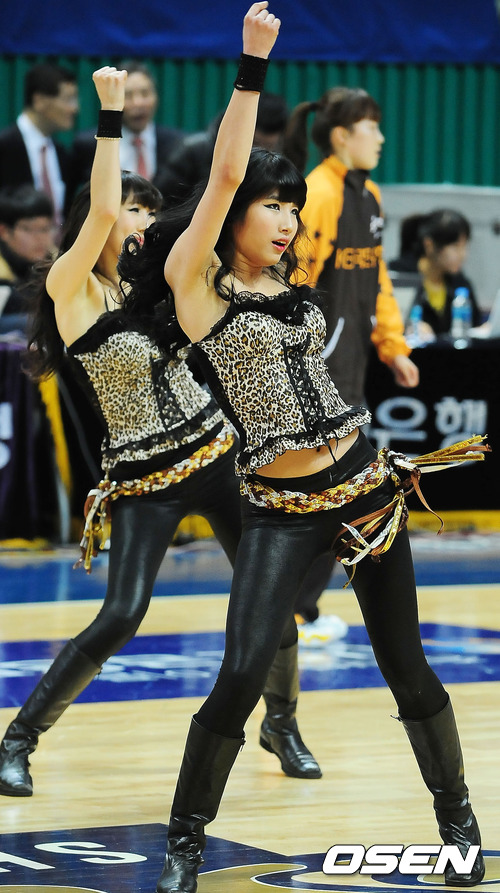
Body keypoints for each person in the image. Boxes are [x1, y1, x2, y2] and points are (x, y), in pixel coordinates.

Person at [119, 6, 486, 891]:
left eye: (290, 206)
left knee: (408, 668)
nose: (285, 220)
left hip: (366, 491)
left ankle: (458, 821)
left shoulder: (292, 284)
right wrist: (252, 64)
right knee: (242, 671)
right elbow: (224, 174)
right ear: (233, 215)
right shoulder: (200, 286)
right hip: (281, 511)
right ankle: (184, 841)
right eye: (269, 206)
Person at [0, 65, 321, 801]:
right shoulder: (74, 288)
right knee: (122, 613)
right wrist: (111, 113)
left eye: (150, 210)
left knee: (271, 597)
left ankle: (282, 723)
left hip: (218, 456)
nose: (143, 220)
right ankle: (18, 739)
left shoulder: (157, 286)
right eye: (134, 210)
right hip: (146, 476)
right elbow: (101, 205)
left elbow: (221, 189)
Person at [282, 86, 420, 636]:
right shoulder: (319, 194)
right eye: (371, 127)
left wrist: (393, 345)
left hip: (352, 366)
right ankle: (295, 610)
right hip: (317, 369)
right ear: (342, 136)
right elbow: (293, 283)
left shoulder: (371, 195)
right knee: (337, 492)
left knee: (341, 492)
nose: (381, 138)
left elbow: (378, 280)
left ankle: (298, 610)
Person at [70, 60, 184, 203]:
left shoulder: (177, 143)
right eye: (127, 95)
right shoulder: (89, 145)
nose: (138, 103)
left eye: (145, 93)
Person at [156, 91, 289, 207]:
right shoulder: (193, 151)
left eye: (269, 147)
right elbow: (160, 203)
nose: (260, 153)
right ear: (240, 125)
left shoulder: (282, 159)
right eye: (254, 144)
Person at [0, 63, 79, 229]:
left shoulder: (62, 153)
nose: (75, 108)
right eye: (68, 99)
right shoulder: (4, 147)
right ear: (39, 101)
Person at [389, 209, 482, 337]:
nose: (463, 255)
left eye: (465, 246)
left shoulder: (461, 283)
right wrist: (410, 327)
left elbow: (475, 328)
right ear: (429, 245)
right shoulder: (398, 277)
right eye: (455, 246)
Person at [0, 185, 55, 334]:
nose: (40, 238)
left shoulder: (57, 260)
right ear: (4, 231)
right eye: (28, 229)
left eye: (45, 229)